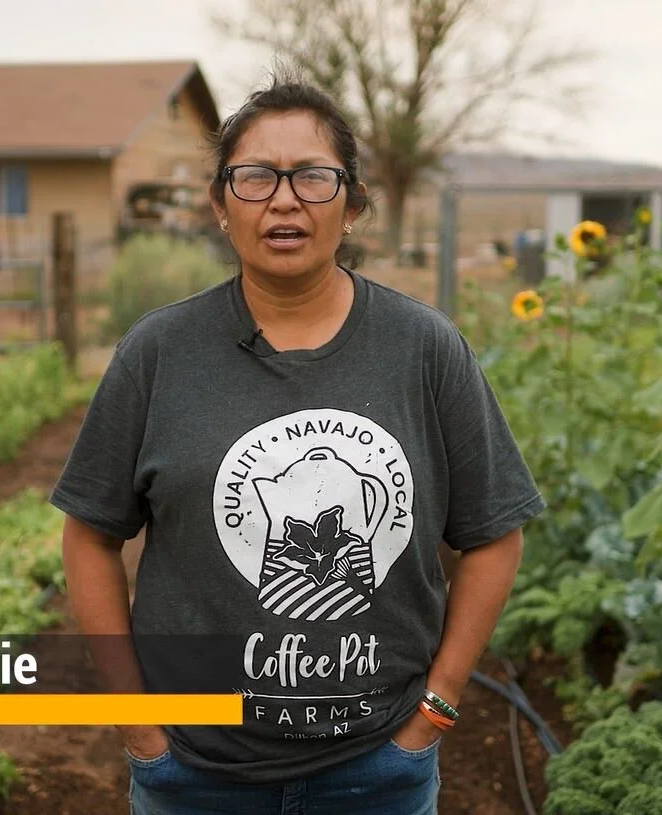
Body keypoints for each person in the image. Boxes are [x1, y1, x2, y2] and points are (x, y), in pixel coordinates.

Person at [50, 72, 545, 815]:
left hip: (378, 771)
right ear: (220, 206)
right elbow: (89, 537)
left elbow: (495, 534)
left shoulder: (425, 350)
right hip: (192, 774)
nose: (284, 199)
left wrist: (432, 714)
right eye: (255, 177)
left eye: (313, 177)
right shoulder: (159, 353)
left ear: (353, 204)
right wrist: (136, 721)